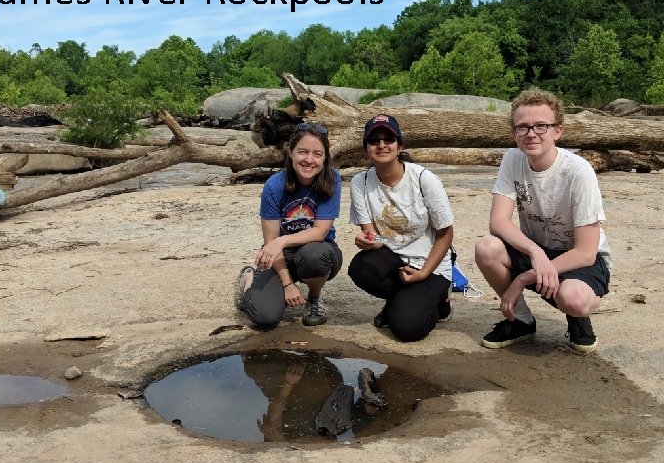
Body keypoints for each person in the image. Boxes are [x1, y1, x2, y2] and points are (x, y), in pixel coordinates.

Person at [474, 88, 611, 352]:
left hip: (580, 258)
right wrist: (535, 252)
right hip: (539, 248)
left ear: (557, 131)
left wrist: (523, 279)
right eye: (523, 127)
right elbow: (498, 221)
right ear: (513, 133)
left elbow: (585, 252)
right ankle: (521, 321)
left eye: (541, 126)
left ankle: (578, 317)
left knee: (573, 299)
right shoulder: (513, 159)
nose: (531, 133)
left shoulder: (578, 172)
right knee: (486, 247)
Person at [348, 113, 455, 342]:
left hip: (430, 264)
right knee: (360, 267)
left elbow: (445, 233)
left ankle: (440, 302)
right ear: (366, 147)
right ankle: (403, 301)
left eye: (388, 139)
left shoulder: (424, 179)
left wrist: (424, 272)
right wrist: (368, 241)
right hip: (393, 257)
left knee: (406, 329)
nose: (382, 145)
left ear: (400, 146)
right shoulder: (360, 182)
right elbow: (374, 237)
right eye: (374, 140)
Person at [235, 122, 343, 327]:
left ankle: (314, 298)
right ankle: (248, 280)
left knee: (315, 255)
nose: (309, 160)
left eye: (317, 154)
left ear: (325, 157)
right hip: (279, 256)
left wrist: (282, 240)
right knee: (264, 317)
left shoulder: (332, 179)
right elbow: (271, 242)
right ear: (291, 152)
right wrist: (288, 284)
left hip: (316, 251)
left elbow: (320, 232)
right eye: (303, 152)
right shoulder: (274, 185)